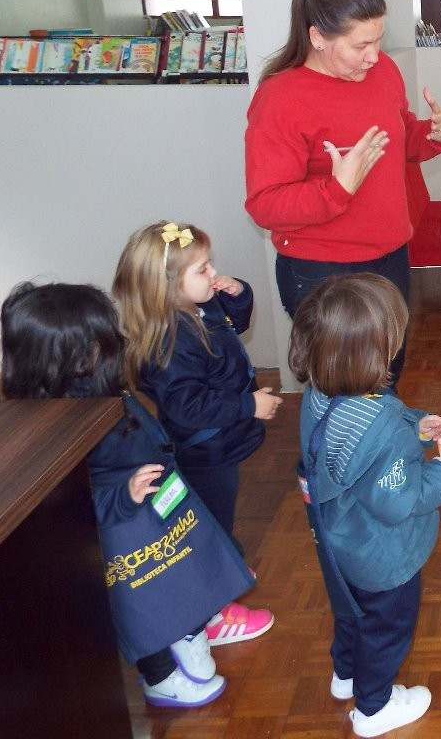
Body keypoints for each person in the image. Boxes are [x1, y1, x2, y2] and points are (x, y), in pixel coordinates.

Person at [0, 282, 227, 708]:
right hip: (120, 535)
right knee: (137, 604)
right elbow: (71, 503)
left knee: (176, 578)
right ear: (63, 356)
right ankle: (160, 676)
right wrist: (123, 494)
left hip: (152, 511)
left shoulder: (98, 387)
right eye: (101, 341)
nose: (116, 343)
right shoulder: (56, 426)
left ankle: (187, 631)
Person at [245, 0, 441, 390]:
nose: (374, 56)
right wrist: (337, 188)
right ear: (318, 37)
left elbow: (397, 138)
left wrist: (434, 135)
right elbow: (265, 205)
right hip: (323, 270)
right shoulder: (281, 97)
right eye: (361, 45)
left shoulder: (383, 72)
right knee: (342, 393)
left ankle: (386, 437)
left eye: (378, 40)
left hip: (389, 256)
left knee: (387, 375)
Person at [288, 273, 441, 738]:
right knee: (387, 627)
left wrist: (415, 423)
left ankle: (346, 674)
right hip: (382, 557)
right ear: (374, 353)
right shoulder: (380, 421)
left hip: (339, 540)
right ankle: (374, 707)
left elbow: (364, 441)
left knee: (351, 610)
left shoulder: (320, 392)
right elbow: (399, 501)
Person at [113, 220, 278, 646]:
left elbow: (234, 326)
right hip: (206, 451)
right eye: (202, 269)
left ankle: (222, 567)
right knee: (207, 526)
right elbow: (189, 407)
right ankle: (213, 614)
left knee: (215, 520)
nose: (213, 273)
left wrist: (238, 295)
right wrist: (248, 405)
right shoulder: (171, 342)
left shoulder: (196, 310)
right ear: (168, 286)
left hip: (218, 445)